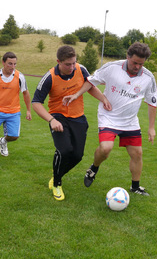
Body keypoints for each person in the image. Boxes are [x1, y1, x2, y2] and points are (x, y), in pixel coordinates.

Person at [63, 42, 157, 196]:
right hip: (109, 116)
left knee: (137, 154)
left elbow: (152, 103)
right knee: (106, 149)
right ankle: (94, 168)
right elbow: (91, 81)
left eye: (141, 63)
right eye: (134, 62)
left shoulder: (148, 77)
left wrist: (151, 127)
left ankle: (135, 187)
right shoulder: (112, 67)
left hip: (130, 121)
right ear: (127, 56)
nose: (137, 66)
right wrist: (76, 95)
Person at [32, 46, 111, 201]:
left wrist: (104, 99)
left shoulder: (81, 69)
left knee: (77, 156)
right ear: (58, 62)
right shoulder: (49, 77)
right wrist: (51, 120)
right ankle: (57, 183)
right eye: (67, 64)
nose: (71, 67)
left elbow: (90, 87)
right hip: (58, 116)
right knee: (65, 150)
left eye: (73, 63)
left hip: (78, 117)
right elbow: (36, 102)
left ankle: (56, 175)